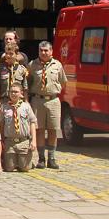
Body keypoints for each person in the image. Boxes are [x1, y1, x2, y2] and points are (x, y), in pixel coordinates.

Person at [28, 40, 67, 169]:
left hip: (53, 101)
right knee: (39, 130)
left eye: (46, 50)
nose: (43, 53)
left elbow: (63, 81)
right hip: (37, 100)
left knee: (53, 130)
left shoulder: (58, 65)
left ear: (51, 52)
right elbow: (27, 83)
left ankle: (52, 158)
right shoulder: (32, 65)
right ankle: (41, 158)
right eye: (41, 50)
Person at [0, 85, 37, 172]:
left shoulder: (26, 106)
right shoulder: (4, 107)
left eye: (16, 92)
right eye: (11, 92)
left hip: (23, 141)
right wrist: (1, 140)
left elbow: (32, 123)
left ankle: (27, 162)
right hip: (10, 142)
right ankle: (16, 161)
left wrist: (34, 141)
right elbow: (1, 124)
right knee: (9, 168)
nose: (13, 94)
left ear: (21, 94)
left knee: (24, 168)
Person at [0, 37, 29, 109]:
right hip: (4, 102)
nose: (8, 56)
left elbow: (25, 88)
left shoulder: (22, 69)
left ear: (16, 55)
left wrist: (26, 102)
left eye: (11, 54)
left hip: (19, 102)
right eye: (6, 53)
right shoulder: (0, 68)